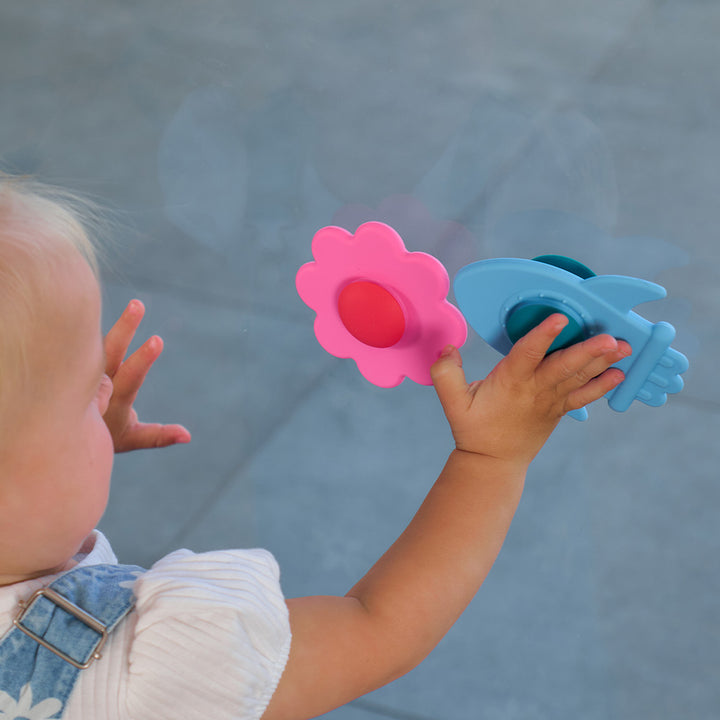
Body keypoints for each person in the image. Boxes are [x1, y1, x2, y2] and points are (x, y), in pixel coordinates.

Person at [0, 176, 630, 720]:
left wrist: (61, 446)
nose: (109, 386)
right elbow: (375, 625)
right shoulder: (156, 676)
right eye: (89, 391)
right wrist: (491, 459)